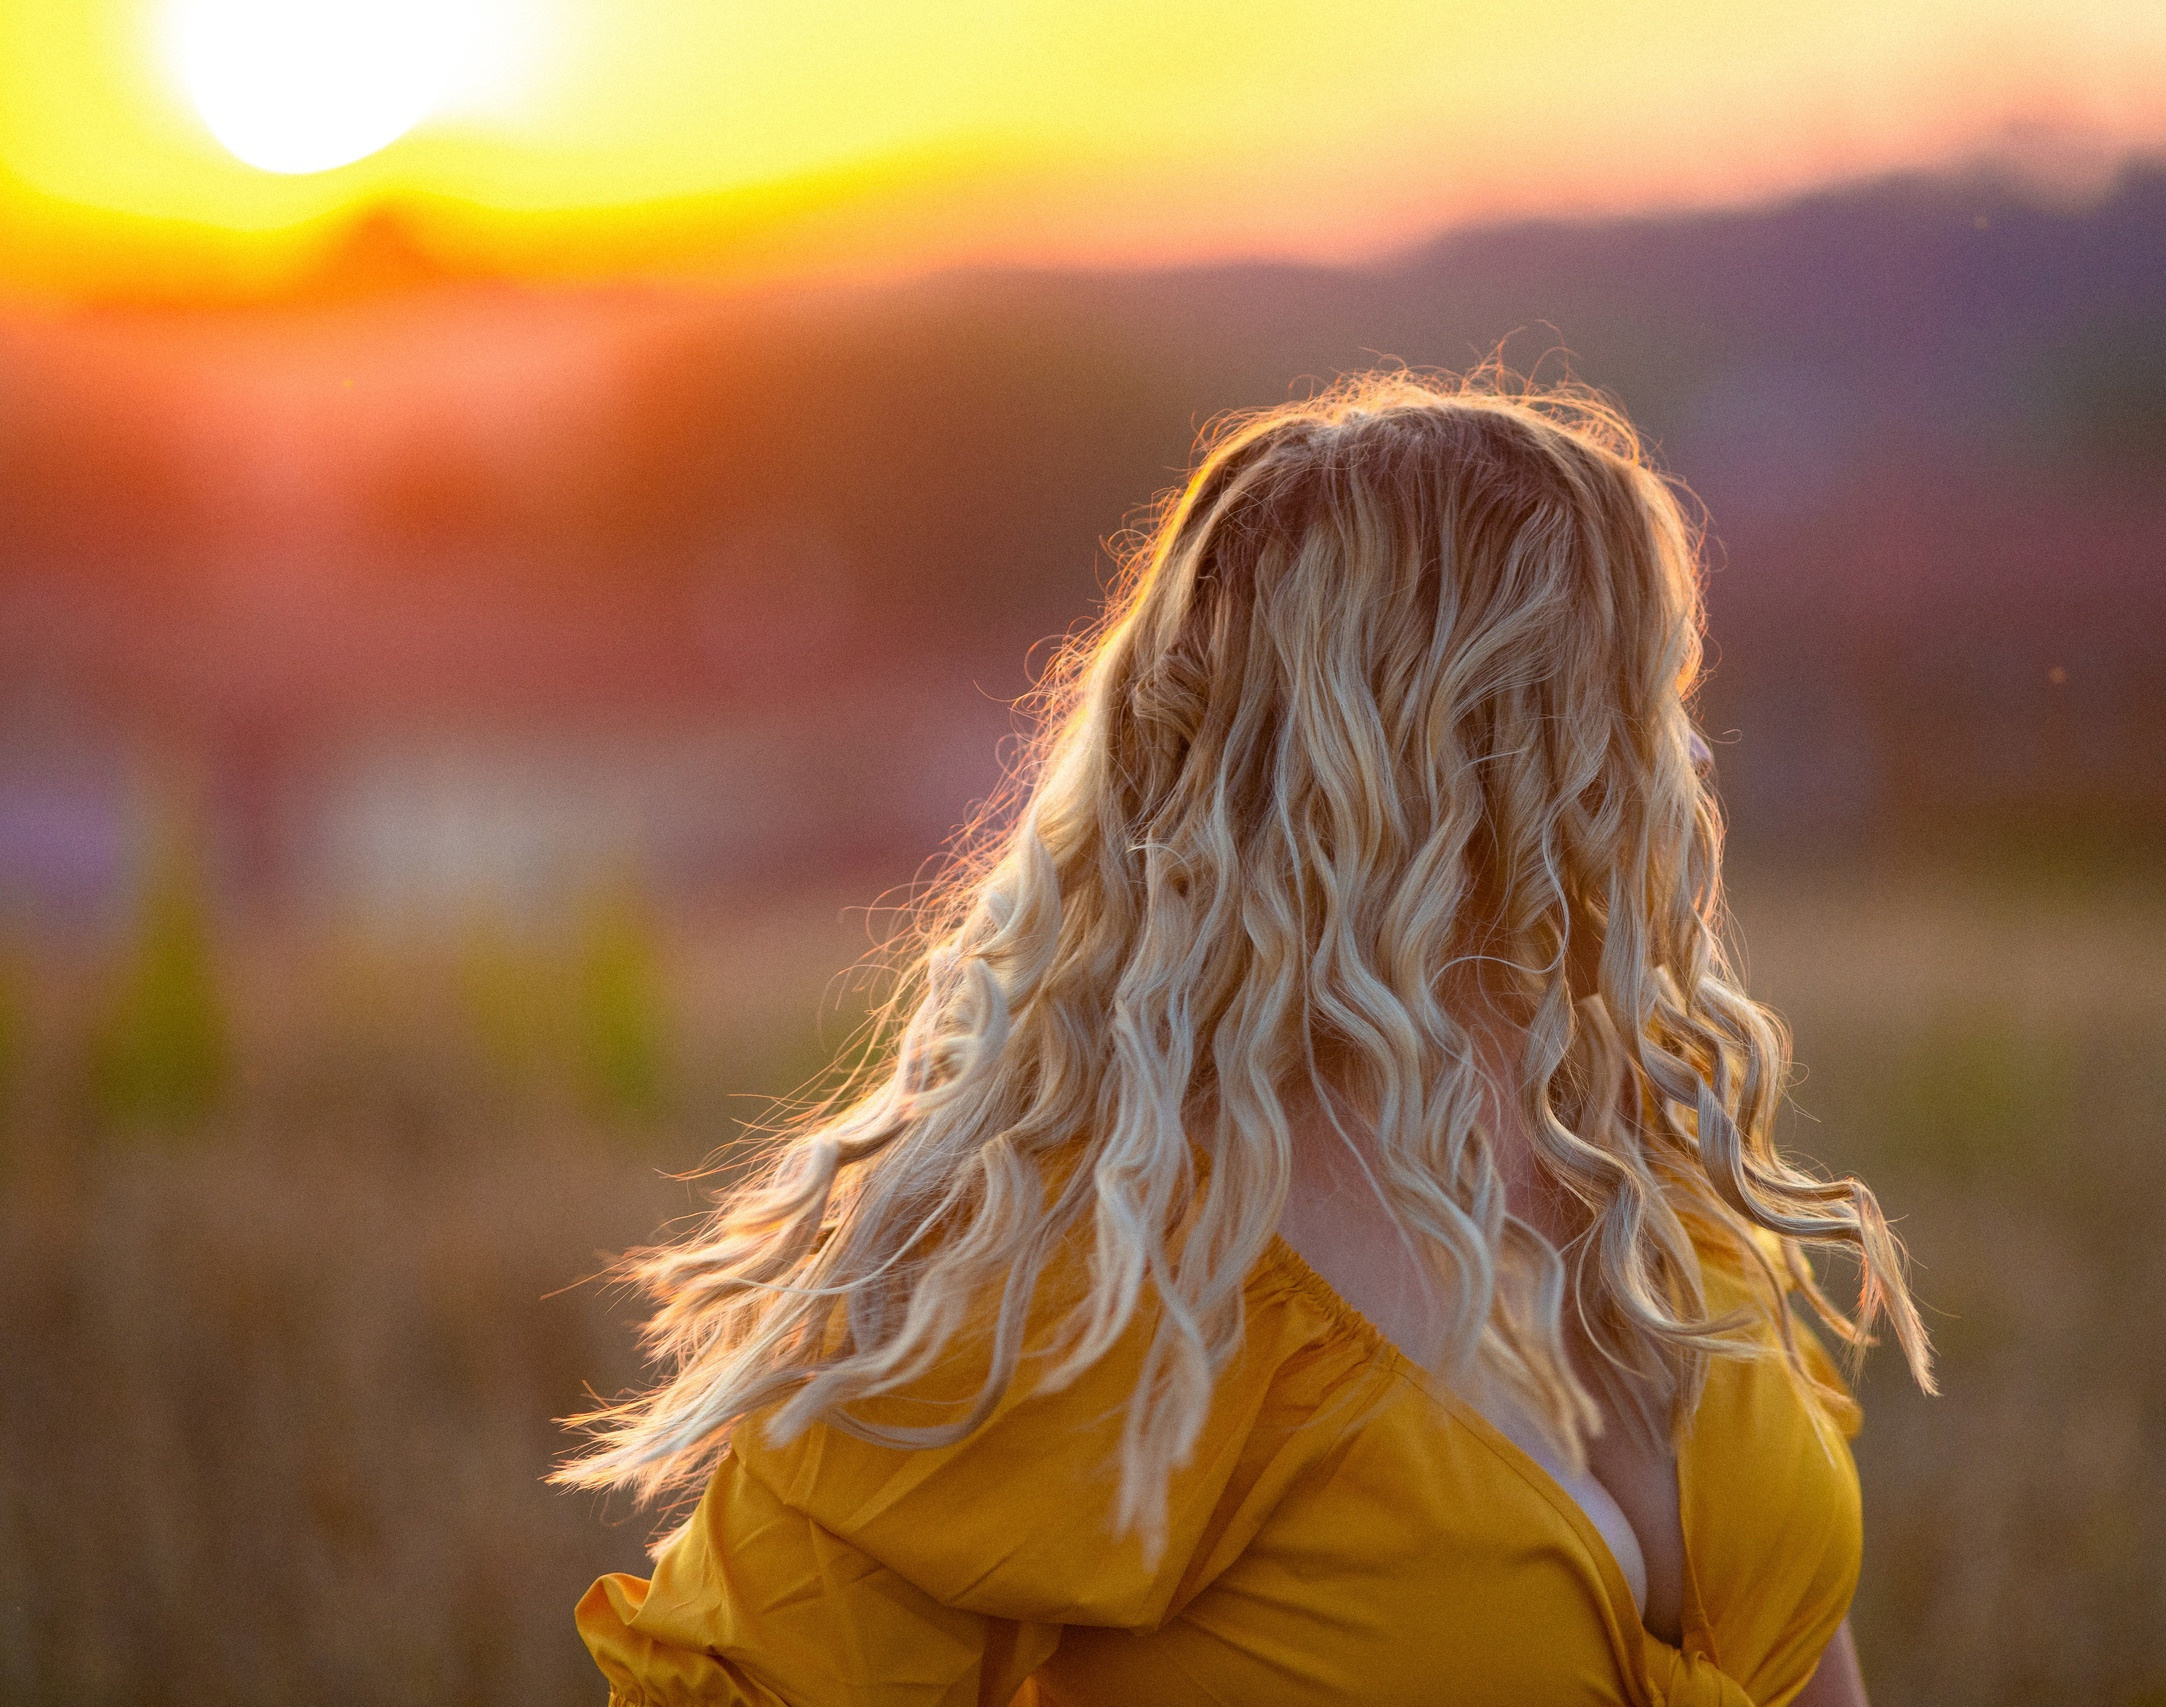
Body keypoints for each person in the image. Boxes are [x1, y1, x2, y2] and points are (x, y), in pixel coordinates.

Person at [558, 373, 1932, 1706]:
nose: (1683, 762)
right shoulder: (1083, 1277)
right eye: (1631, 698)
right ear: (1462, 745)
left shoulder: (1651, 1174)